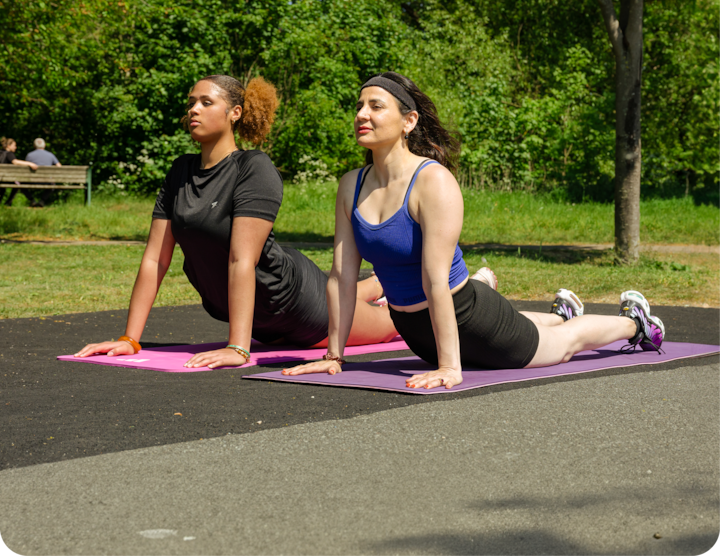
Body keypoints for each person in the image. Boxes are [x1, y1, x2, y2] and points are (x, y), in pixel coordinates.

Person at [283, 72, 665, 390]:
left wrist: (450, 366)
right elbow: (341, 277)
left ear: (409, 121)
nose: (362, 114)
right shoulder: (351, 185)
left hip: (471, 318)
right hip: (415, 327)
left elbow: (434, 280)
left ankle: (637, 323)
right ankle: (562, 312)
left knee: (563, 345)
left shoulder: (432, 183)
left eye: (375, 106)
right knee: (543, 330)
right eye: (359, 106)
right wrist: (334, 356)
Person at [75, 75, 397, 369]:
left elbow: (242, 259)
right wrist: (130, 339)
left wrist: (238, 348)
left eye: (206, 102)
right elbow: (155, 259)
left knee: (391, 325)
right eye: (190, 103)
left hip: (294, 305)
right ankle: (377, 283)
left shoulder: (253, 167)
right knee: (354, 297)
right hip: (260, 320)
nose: (193, 110)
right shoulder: (180, 172)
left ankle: (403, 286)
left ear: (235, 113)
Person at [0, 137, 39, 206]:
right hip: (4, 178)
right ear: (9, 146)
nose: (16, 147)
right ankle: (8, 202)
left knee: (3, 187)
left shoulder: (0, 152)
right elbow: (15, 162)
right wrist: (30, 163)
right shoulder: (9, 154)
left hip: (1, 178)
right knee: (17, 183)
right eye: (14, 145)